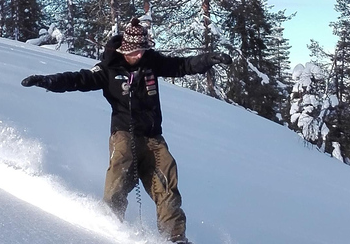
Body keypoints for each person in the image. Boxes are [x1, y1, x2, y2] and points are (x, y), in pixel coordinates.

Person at [21, 17, 232, 244]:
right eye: (134, 52)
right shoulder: (109, 68)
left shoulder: (151, 62)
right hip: (123, 133)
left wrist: (208, 59)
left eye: (142, 50)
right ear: (124, 48)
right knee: (121, 170)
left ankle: (175, 236)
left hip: (152, 136)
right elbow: (79, 79)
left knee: (167, 178)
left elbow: (182, 65)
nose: (139, 55)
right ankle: (108, 224)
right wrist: (48, 81)